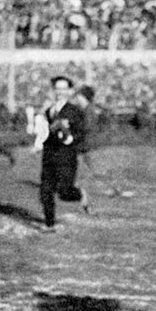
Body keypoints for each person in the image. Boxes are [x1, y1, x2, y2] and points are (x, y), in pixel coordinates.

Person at [38, 75, 90, 232]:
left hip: (66, 157)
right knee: (45, 190)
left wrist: (70, 137)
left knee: (64, 192)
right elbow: (44, 133)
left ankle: (80, 194)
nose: (60, 92)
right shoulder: (48, 111)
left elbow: (81, 134)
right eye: (57, 89)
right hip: (49, 156)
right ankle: (49, 223)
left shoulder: (75, 111)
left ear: (70, 91)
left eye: (64, 89)